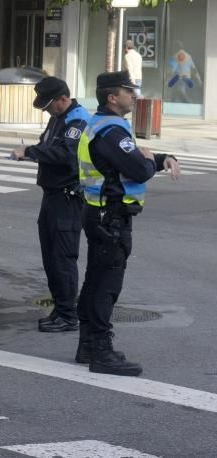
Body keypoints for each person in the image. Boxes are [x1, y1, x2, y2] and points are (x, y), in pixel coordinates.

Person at [75, 70, 180, 376]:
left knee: (94, 281)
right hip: (111, 218)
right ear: (112, 97)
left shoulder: (100, 125)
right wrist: (149, 161)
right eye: (128, 91)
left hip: (99, 213)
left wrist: (161, 158)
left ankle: (88, 346)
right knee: (106, 286)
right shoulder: (111, 132)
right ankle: (102, 352)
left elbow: (128, 162)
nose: (134, 95)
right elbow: (138, 168)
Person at [10, 77, 90, 333]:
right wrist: (34, 151)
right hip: (53, 196)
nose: (46, 111)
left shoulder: (77, 120)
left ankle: (68, 315)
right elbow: (49, 147)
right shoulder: (59, 118)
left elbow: (67, 155)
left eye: (48, 106)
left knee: (63, 258)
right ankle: (61, 309)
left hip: (68, 198)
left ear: (63, 99)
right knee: (51, 258)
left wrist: (30, 152)